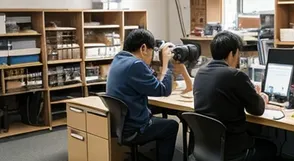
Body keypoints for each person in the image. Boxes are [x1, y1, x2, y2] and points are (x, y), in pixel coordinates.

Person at [193, 31, 278, 161]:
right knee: (270, 148)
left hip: (207, 147)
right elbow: (257, 110)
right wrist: (261, 96)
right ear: (232, 53)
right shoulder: (235, 75)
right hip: (233, 149)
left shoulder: (200, 72)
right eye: (238, 54)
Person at [106, 29, 184, 161]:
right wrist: (167, 64)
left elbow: (149, 79)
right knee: (171, 125)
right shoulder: (135, 65)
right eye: (151, 51)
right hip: (132, 128)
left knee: (157, 109)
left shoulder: (118, 59)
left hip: (121, 122)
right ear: (143, 48)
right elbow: (163, 90)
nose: (151, 56)